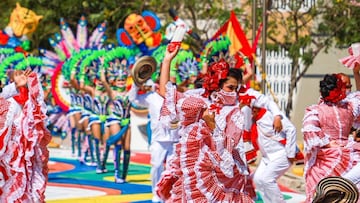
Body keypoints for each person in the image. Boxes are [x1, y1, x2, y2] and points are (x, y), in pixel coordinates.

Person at [156, 44, 254, 202]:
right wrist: (167, 60)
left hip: (222, 176)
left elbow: (230, 145)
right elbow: (166, 93)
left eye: (236, 89)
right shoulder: (199, 100)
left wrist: (212, 125)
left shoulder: (234, 111)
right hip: (194, 171)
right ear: (217, 84)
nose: (233, 93)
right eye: (230, 87)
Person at [302, 73, 360, 202]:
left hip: (327, 157)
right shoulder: (350, 107)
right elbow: (358, 95)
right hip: (349, 151)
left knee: (323, 193)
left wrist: (327, 143)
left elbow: (309, 131)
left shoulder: (316, 110)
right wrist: (356, 73)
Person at [0, 69, 51, 202]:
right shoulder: (7, 104)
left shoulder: (12, 104)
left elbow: (35, 116)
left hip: (16, 161)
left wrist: (24, 85)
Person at [129, 79, 179, 202]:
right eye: (167, 86)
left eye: (173, 85)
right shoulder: (151, 97)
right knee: (157, 166)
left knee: (173, 169)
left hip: (175, 139)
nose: (170, 88)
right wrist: (136, 84)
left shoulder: (178, 98)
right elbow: (133, 99)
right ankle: (157, 193)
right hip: (159, 140)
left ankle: (170, 194)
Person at [240, 95, 297, 203]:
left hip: (281, 155)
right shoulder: (254, 120)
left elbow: (291, 129)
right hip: (267, 158)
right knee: (258, 179)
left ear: (255, 109)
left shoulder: (270, 115)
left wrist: (290, 154)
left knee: (267, 180)